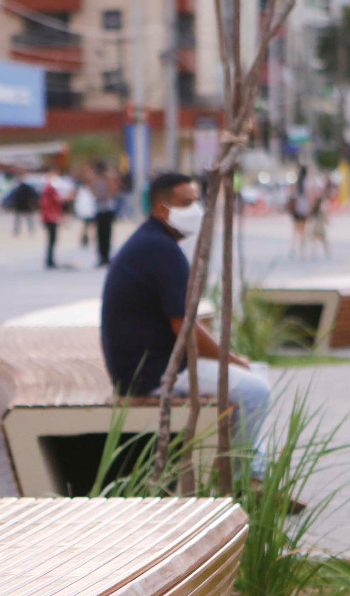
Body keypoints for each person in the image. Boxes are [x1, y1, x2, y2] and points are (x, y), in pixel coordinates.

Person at [100, 172, 270, 475]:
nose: (197, 210)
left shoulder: (151, 242)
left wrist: (234, 361)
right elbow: (185, 328)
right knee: (255, 390)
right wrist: (231, 359)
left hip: (146, 364)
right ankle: (241, 476)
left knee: (257, 374)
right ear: (163, 209)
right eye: (187, 203)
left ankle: (254, 468)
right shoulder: (161, 250)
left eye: (197, 201)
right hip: (151, 373)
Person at [89, 161, 119, 266]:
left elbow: (113, 190)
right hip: (99, 209)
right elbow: (92, 191)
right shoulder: (94, 180)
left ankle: (106, 255)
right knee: (100, 234)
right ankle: (101, 256)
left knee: (107, 233)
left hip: (107, 209)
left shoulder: (109, 179)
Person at [288, 167, 313, 259]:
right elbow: (310, 197)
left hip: (296, 210)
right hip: (304, 210)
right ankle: (302, 251)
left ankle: (293, 249)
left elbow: (291, 194)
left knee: (295, 230)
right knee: (303, 232)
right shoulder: (307, 184)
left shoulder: (297, 183)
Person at [41, 169, 63, 270]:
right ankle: (50, 260)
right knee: (52, 239)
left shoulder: (47, 188)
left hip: (48, 216)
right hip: (51, 217)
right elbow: (56, 200)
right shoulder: (50, 188)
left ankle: (50, 260)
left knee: (51, 239)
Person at [10, 171, 39, 236]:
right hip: (24, 206)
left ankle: (20, 231)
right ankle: (27, 230)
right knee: (24, 220)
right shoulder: (22, 188)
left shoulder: (19, 188)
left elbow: (13, 197)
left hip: (22, 206)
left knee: (24, 220)